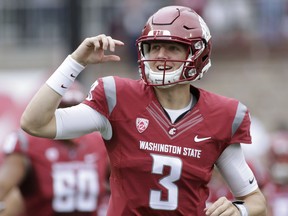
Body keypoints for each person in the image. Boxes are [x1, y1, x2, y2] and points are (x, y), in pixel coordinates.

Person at [20, 5, 267, 216]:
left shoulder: (222, 115)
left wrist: (239, 210)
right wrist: (76, 61)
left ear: (197, 53)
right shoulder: (117, 97)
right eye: (154, 47)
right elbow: (35, 123)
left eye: (172, 48)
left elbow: (255, 200)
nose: (160, 56)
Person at [0, 83, 110, 216]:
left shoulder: (99, 143)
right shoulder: (27, 143)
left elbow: (124, 186)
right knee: (14, 198)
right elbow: (3, 187)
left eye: (75, 108)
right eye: (63, 109)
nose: (69, 116)